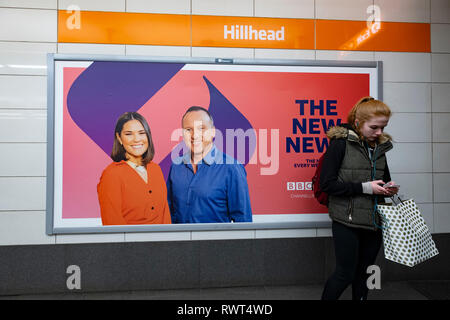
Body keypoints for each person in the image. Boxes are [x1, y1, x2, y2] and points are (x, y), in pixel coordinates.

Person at [320, 97, 399, 300]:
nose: (379, 133)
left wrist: (388, 188)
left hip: (373, 222)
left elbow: (384, 179)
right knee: (344, 274)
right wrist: (366, 188)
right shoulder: (340, 145)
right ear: (357, 122)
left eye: (383, 127)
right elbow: (327, 185)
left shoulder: (380, 148)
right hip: (347, 221)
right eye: (374, 127)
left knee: (364, 274)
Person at [167, 106, 252, 223]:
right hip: (180, 241)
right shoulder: (176, 167)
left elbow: (243, 221)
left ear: (213, 132)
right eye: (188, 129)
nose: (194, 135)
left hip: (217, 241)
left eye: (201, 128)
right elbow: (170, 214)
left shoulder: (231, 168)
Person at [97, 112, 171, 225]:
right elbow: (112, 222)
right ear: (119, 138)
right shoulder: (111, 174)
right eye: (129, 134)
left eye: (142, 133)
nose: (136, 139)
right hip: (131, 242)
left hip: (161, 241)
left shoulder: (155, 169)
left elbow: (165, 216)